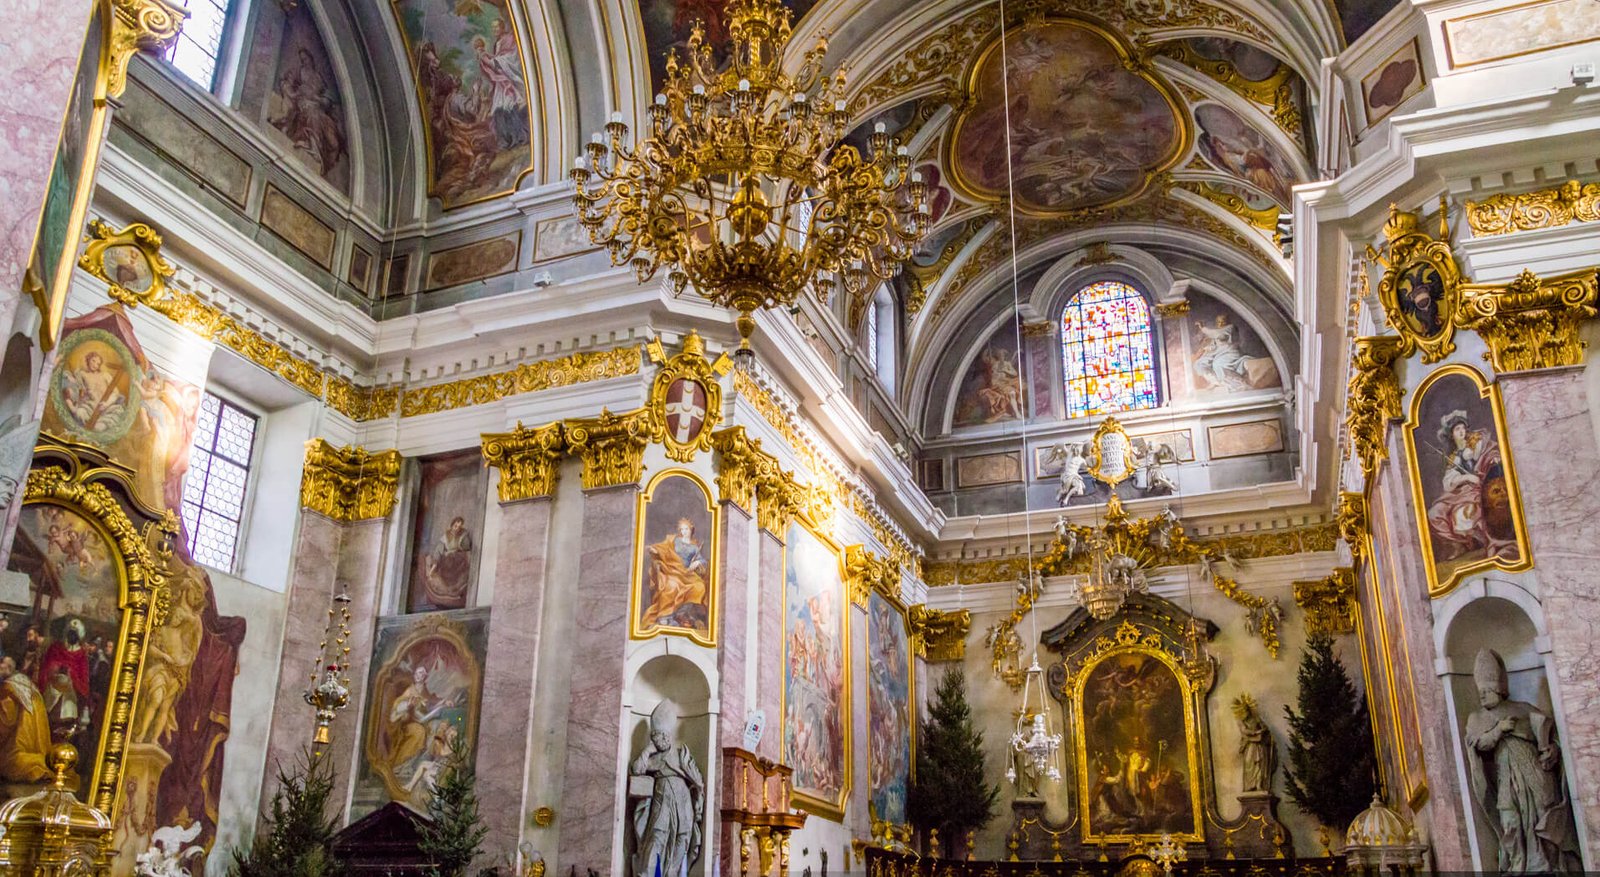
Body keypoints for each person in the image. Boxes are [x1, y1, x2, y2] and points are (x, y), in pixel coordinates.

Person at [1464, 649, 1580, 873]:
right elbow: (1479, 745)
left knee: (1544, 814)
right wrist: (1499, 730)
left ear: (1499, 688)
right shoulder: (1477, 718)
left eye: (1487, 690)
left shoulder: (1524, 709)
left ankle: (1552, 866)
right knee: (1510, 821)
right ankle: (1519, 867)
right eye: (1481, 692)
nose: (1483, 696)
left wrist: (1552, 751)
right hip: (1507, 778)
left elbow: (1549, 733)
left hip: (1536, 772)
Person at [629, 701, 703, 877]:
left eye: (661, 735)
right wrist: (647, 750)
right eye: (655, 736)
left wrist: (698, 794)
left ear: (668, 736)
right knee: (657, 836)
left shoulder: (681, 755)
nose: (659, 739)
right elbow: (637, 769)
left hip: (682, 798)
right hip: (662, 799)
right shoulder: (654, 758)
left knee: (683, 837)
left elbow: (697, 778)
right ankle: (648, 873)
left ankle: (672, 873)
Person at [1427, 411, 1507, 561]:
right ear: (1452, 434)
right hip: (1464, 490)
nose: (1461, 431)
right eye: (1457, 429)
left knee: (1469, 510)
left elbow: (1491, 453)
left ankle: (1487, 542)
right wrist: (1466, 476)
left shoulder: (1477, 443)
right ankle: (1460, 544)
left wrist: (1487, 463)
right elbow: (1448, 483)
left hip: (1484, 484)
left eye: (1463, 428)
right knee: (1435, 513)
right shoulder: (1454, 457)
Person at [639, 518, 708, 630]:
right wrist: (655, 550)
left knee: (699, 587)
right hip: (671, 569)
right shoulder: (674, 540)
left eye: (686, 529)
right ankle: (665, 616)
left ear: (691, 530)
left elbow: (702, 560)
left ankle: (680, 613)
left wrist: (697, 562)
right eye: (681, 529)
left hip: (686, 573)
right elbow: (664, 549)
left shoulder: (694, 547)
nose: (683, 531)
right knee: (671, 585)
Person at [0, 655, 54, 784]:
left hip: (19, 745)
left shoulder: (8, 689)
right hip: (38, 747)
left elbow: (7, 721)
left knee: (7, 763)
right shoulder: (25, 682)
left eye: (1, 664)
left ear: (8, 667)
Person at [61, 350, 126, 430]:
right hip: (89, 407)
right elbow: (79, 388)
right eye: (93, 361)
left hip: (107, 408)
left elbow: (115, 393)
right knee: (79, 413)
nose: (95, 365)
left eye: (98, 363)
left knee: (98, 428)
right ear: (88, 359)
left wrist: (107, 403)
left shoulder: (105, 375)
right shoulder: (82, 374)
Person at [422, 516, 475, 607]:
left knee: (453, 558)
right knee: (442, 556)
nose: (457, 528)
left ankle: (452, 587)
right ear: (452, 525)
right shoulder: (445, 536)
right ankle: (433, 570)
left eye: (459, 526)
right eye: (455, 526)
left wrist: (459, 546)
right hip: (446, 558)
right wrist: (446, 553)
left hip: (458, 558)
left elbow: (466, 547)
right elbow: (439, 550)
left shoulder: (463, 535)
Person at [1193, 314, 1252, 392]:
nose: (1220, 324)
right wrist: (1206, 348)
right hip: (1217, 354)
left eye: (1222, 322)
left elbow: (1220, 335)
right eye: (1218, 322)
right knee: (1199, 363)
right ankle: (1215, 382)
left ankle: (1237, 385)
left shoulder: (1231, 328)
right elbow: (1214, 346)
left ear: (1227, 322)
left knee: (1218, 364)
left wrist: (1203, 328)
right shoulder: (1216, 333)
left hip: (1230, 353)